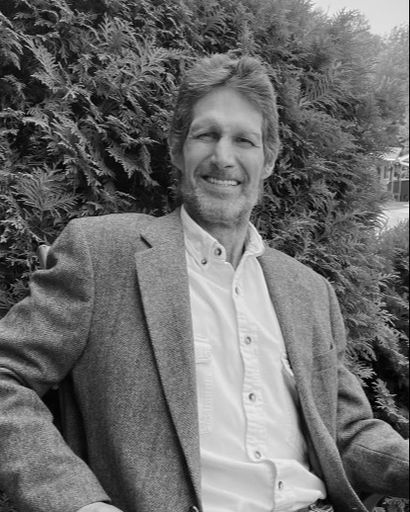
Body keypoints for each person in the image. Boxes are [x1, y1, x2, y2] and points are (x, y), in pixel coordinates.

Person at [0, 54, 408, 512]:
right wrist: (79, 503)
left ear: (268, 160)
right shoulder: (103, 255)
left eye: (244, 140)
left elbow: (346, 431)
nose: (223, 158)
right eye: (206, 135)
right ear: (178, 150)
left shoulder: (310, 291)